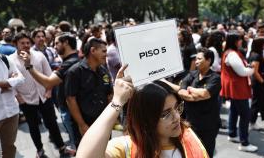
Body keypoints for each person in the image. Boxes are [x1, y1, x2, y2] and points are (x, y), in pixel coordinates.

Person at [76, 65, 209, 158]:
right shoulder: (126, 147)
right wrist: (116, 102)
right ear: (145, 119)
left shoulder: (187, 135)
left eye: (177, 107)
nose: (176, 117)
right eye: (165, 113)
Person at [11, 33, 74, 157]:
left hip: (45, 96)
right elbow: (10, 81)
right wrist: (19, 98)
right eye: (22, 43)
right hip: (26, 100)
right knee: (33, 127)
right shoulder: (10, 60)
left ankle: (61, 147)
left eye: (27, 43)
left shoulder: (39, 56)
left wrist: (49, 90)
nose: (25, 45)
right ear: (15, 44)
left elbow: (49, 74)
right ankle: (39, 150)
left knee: (52, 124)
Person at [65, 38, 112, 146]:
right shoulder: (75, 72)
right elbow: (70, 100)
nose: (106, 55)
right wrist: (82, 125)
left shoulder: (103, 70)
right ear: (93, 50)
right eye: (104, 51)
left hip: (103, 123)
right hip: (86, 124)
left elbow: (109, 94)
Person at [176, 48, 221, 157]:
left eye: (199, 59)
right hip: (190, 123)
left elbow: (204, 94)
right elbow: (181, 91)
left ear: (208, 60)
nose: (196, 61)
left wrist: (190, 89)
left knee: (206, 153)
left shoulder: (215, 78)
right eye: (195, 58)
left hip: (208, 126)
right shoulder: (192, 74)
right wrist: (194, 95)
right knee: (190, 152)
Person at [220, 33, 257, 152]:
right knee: (245, 115)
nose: (241, 41)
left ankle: (232, 134)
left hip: (234, 86)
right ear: (235, 41)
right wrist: (252, 70)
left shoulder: (230, 53)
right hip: (237, 87)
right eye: (240, 39)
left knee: (234, 110)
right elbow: (242, 72)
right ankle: (244, 143)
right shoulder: (232, 54)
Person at [0, 50, 24, 158]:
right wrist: (6, 84)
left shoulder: (4, 59)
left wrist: (2, 84)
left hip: (11, 113)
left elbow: (20, 79)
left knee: (9, 147)